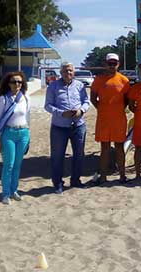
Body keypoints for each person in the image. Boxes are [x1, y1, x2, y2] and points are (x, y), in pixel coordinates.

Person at [45, 62, 90, 194]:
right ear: (61, 72)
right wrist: (61, 113)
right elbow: (47, 105)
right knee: (57, 156)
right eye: (65, 71)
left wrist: (81, 110)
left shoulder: (80, 85)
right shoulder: (53, 86)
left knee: (79, 155)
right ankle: (58, 183)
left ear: (73, 72)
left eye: (70, 70)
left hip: (78, 125)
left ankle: (76, 180)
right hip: (59, 127)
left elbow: (86, 101)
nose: (68, 73)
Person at [90, 53, 130, 184]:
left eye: (114, 63)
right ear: (105, 64)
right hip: (103, 120)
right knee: (105, 148)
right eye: (110, 63)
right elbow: (93, 98)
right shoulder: (98, 80)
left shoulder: (124, 80)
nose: (112, 66)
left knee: (119, 147)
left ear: (118, 64)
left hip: (119, 120)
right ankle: (103, 177)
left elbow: (127, 100)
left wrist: (118, 109)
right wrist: (102, 109)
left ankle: (122, 176)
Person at [0, 71, 31, 204]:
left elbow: (28, 117)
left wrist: (28, 135)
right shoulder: (3, 99)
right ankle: (5, 193)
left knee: (17, 164)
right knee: (8, 164)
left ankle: (14, 190)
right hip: (8, 133)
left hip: (23, 133)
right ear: (8, 84)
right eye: (14, 82)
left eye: (19, 82)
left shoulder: (26, 98)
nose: (17, 84)